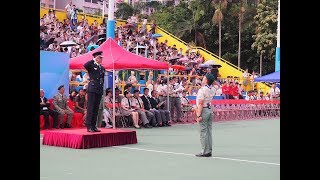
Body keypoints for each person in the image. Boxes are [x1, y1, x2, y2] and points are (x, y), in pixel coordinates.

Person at [84, 51, 106, 132]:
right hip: (92, 88)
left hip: (99, 89)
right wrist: (94, 59)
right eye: (100, 57)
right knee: (91, 108)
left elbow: (102, 78)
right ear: (96, 58)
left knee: (96, 108)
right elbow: (85, 65)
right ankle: (89, 126)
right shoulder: (91, 65)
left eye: (101, 58)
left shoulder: (102, 68)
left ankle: (93, 126)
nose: (101, 59)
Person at [195, 73, 216, 157]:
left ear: (206, 80)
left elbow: (200, 103)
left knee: (203, 131)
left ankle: (205, 151)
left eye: (204, 78)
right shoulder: (213, 89)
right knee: (209, 131)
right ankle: (209, 150)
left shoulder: (202, 90)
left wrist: (198, 115)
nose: (202, 79)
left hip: (203, 110)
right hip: (210, 110)